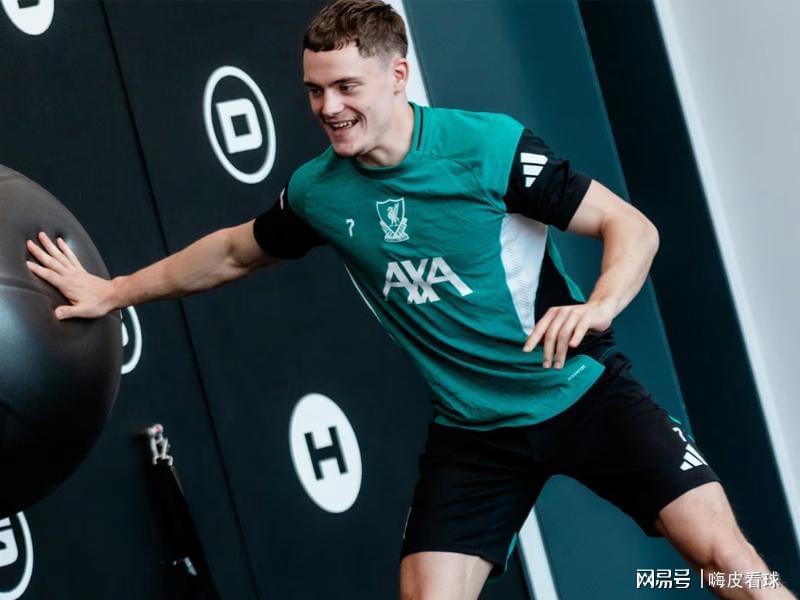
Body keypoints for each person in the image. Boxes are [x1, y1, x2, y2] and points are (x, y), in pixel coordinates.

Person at [24, 1, 794, 599]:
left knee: (726, 559)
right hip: (476, 434)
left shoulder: (485, 148)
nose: (328, 107)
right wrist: (112, 291)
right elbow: (232, 251)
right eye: (314, 90)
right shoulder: (321, 192)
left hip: (586, 395)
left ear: (397, 75)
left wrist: (597, 306)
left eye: (346, 87)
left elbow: (632, 227)